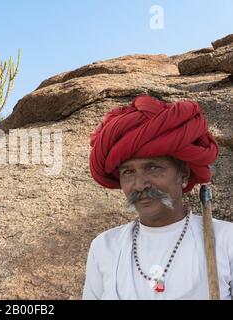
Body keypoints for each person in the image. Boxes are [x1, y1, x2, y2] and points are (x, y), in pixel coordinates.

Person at [83, 94, 233, 300]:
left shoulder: (226, 240)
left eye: (153, 167)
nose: (140, 184)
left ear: (183, 174)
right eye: (128, 172)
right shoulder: (105, 246)